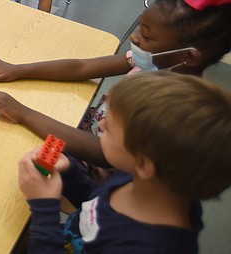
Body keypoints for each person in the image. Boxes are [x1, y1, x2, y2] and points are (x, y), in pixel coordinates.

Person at [0, 0, 231, 167]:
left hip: (93, 168)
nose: (133, 38)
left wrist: (24, 113)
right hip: (83, 131)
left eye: (147, 36)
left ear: (189, 55)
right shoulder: (155, 62)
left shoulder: (171, 106)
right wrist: (17, 69)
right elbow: (82, 68)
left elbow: (103, 153)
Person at [19, 71, 231, 253]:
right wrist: (71, 172)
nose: (100, 124)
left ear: (144, 164)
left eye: (109, 128)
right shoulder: (140, 178)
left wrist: (44, 209)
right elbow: (95, 207)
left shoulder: (148, 247)